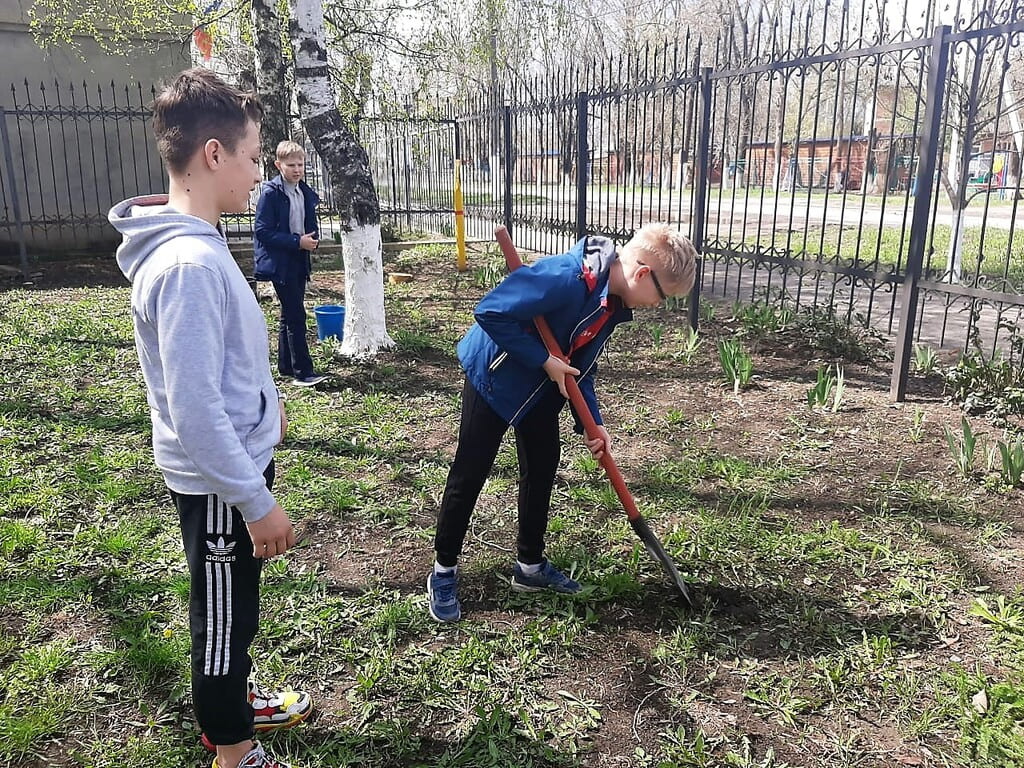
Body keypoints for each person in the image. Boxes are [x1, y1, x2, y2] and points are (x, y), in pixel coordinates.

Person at [109, 68, 312, 768]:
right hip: (222, 483)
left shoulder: (200, 241)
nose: (259, 173)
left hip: (231, 464)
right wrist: (255, 502)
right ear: (215, 155)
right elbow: (195, 410)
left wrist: (265, 400)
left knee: (236, 610)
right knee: (224, 621)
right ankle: (233, 750)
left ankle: (235, 703)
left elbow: (220, 365)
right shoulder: (189, 264)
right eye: (255, 158)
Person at [427, 224, 698, 623]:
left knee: (542, 468)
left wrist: (594, 424)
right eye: (662, 297)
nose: (658, 306)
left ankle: (530, 567)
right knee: (472, 471)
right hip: (494, 375)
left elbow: (579, 366)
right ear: (642, 274)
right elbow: (490, 312)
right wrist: (543, 360)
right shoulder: (569, 278)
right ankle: (443, 570)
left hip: (541, 388)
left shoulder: (612, 303)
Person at [253, 140, 326, 387]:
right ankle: (303, 372)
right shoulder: (272, 194)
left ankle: (285, 365)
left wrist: (311, 238)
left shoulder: (303, 191)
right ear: (278, 165)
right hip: (280, 262)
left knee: (288, 313)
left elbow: (308, 222)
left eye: (300, 164)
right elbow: (262, 232)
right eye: (291, 165)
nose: (297, 169)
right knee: (297, 315)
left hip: (299, 259)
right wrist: (296, 241)